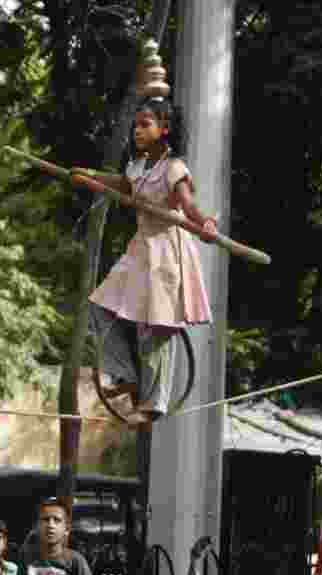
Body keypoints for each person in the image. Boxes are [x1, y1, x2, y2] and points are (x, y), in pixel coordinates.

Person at [74, 92, 217, 425]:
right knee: (100, 307)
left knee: (155, 329)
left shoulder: (174, 168)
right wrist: (90, 176)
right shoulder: (137, 166)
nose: (137, 131)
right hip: (140, 250)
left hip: (167, 252)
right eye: (135, 125)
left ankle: (154, 402)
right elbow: (122, 186)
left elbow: (187, 206)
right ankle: (126, 373)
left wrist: (205, 223)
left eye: (145, 124)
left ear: (164, 128)